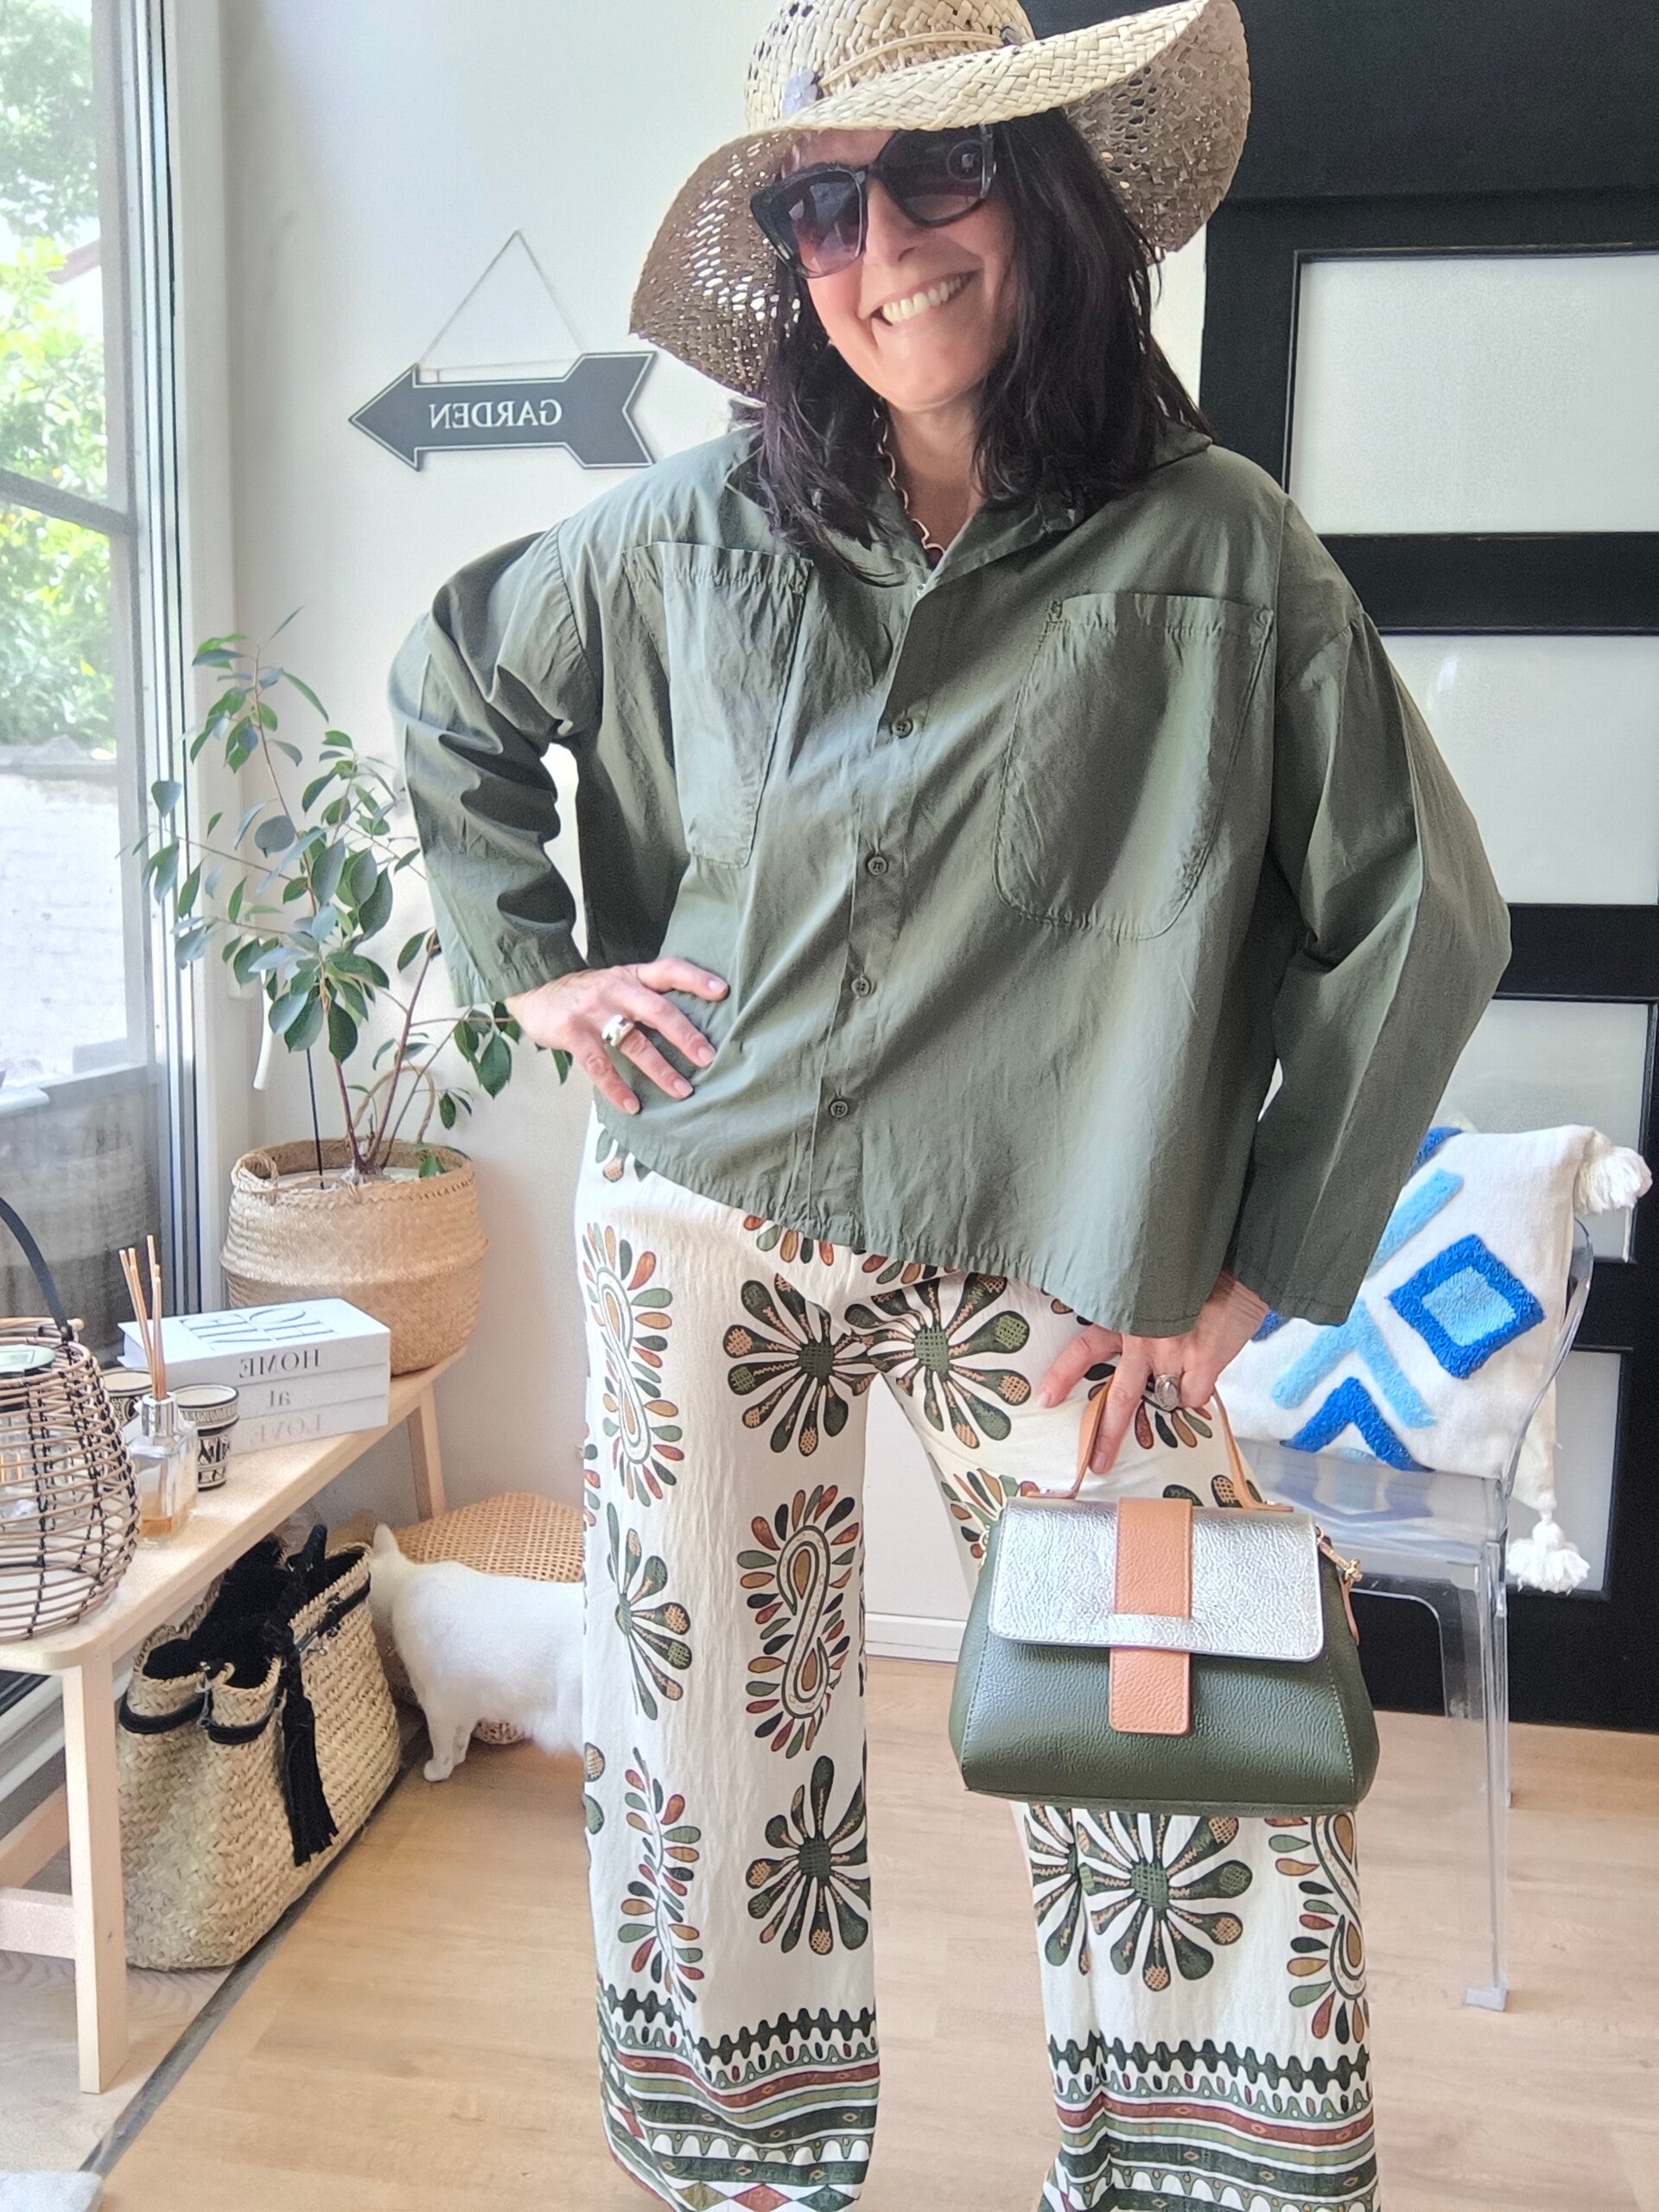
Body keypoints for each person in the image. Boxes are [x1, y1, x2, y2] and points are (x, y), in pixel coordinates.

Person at [389, 3, 1510, 2205]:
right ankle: (740, 2165)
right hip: (706, 1216)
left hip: (1067, 1260)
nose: (883, 244)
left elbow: (1425, 913)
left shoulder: (1217, 550)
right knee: (706, 1736)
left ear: (1053, 197)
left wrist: (1250, 1271)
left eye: (940, 174)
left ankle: (1200, 2172)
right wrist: (535, 967)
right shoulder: (690, 532)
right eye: (826, 204)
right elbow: (454, 682)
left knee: (1179, 1738)